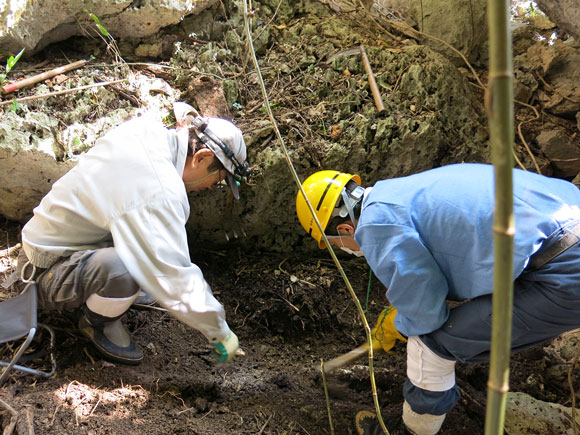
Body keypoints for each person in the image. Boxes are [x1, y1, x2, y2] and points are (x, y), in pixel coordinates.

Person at [296, 164, 580, 435]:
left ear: (344, 230)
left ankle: (413, 429)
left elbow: (426, 314)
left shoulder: (374, 225)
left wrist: (402, 321)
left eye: (334, 244)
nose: (341, 248)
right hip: (564, 228)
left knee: (430, 345)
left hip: (563, 274)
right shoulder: (398, 192)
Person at [10, 102, 250, 366]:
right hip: (43, 274)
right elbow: (171, 272)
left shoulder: (144, 132)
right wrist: (219, 331)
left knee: (138, 263)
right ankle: (96, 322)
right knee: (128, 268)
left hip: (52, 246)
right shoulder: (157, 190)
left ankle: (110, 292)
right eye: (215, 180)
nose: (208, 188)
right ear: (201, 157)